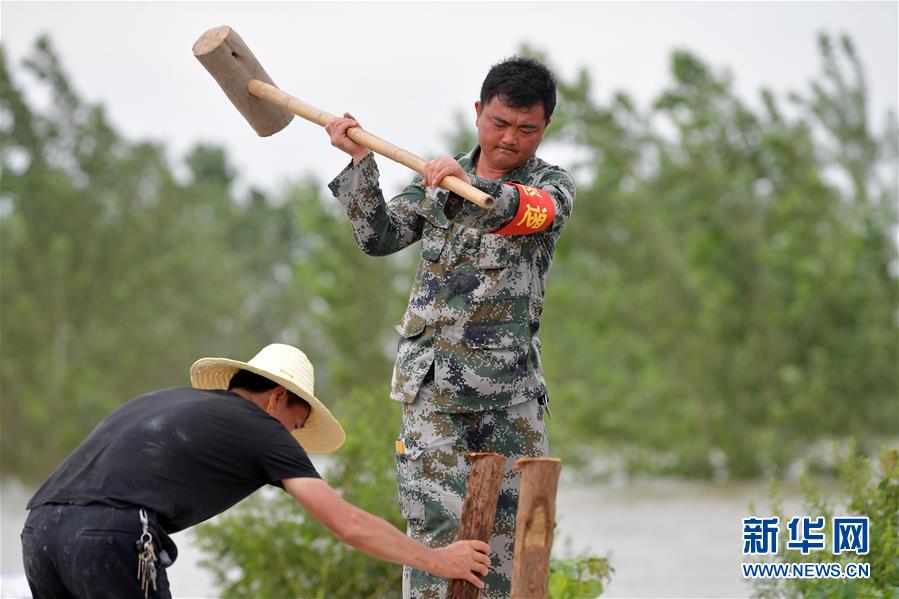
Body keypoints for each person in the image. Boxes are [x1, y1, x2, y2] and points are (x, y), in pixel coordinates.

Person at [325, 56, 575, 598]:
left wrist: (467, 185)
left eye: (526, 129)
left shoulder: (549, 187)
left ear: (545, 127)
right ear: (478, 111)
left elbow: (520, 210)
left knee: (515, 540)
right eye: (499, 123)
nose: (509, 139)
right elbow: (379, 238)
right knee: (435, 536)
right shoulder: (435, 178)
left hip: (510, 396)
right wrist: (360, 164)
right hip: (433, 390)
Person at [21, 343, 490, 598]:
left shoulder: (166, 401)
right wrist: (441, 560)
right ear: (277, 398)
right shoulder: (262, 428)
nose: (292, 436)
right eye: (297, 424)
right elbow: (347, 524)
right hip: (109, 536)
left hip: (39, 530)